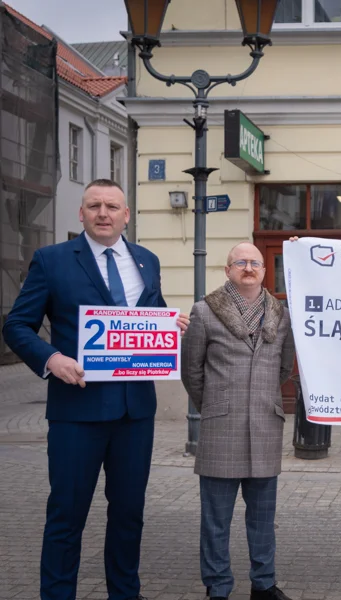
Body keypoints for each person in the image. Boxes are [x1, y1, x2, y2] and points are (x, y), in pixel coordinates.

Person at [2, 179, 187, 600]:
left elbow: (147, 315)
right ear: (80, 214)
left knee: (129, 515)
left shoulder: (147, 260)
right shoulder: (52, 261)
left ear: (126, 215)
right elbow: (16, 325)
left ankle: (125, 593)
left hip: (134, 412)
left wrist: (165, 325)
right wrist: (51, 359)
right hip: (76, 411)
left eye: (112, 206)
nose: (103, 213)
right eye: (94, 205)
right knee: (67, 515)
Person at [180, 242, 296, 600]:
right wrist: (216, 404)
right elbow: (191, 371)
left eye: (256, 263)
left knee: (263, 519)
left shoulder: (280, 313)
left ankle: (264, 584)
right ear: (227, 269)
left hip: (264, 424)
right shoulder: (204, 311)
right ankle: (218, 586)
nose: (249, 268)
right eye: (241, 262)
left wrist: (258, 397)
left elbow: (284, 367)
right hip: (220, 428)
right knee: (216, 521)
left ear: (264, 271)